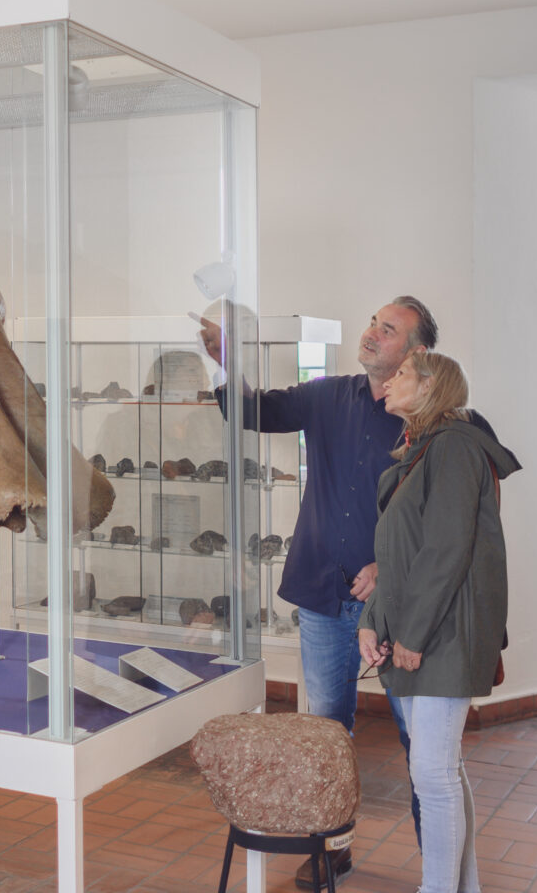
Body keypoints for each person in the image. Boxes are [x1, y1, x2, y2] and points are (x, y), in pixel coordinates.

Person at [200, 296, 436, 889]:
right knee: (326, 732)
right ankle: (333, 847)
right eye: (373, 323)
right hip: (324, 597)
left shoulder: (431, 419)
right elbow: (253, 412)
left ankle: (439, 855)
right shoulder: (330, 394)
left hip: (398, 606)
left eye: (388, 330)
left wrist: (389, 564)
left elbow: (439, 516)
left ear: (416, 352)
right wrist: (224, 363)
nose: (372, 334)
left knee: (419, 737)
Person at [359, 349, 517, 893]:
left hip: (443, 632)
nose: (389, 382)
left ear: (430, 387)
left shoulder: (453, 447)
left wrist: (412, 633)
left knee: (432, 775)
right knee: (441, 770)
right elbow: (398, 551)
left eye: (401, 374)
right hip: (422, 630)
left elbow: (446, 549)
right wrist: (373, 619)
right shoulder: (421, 450)